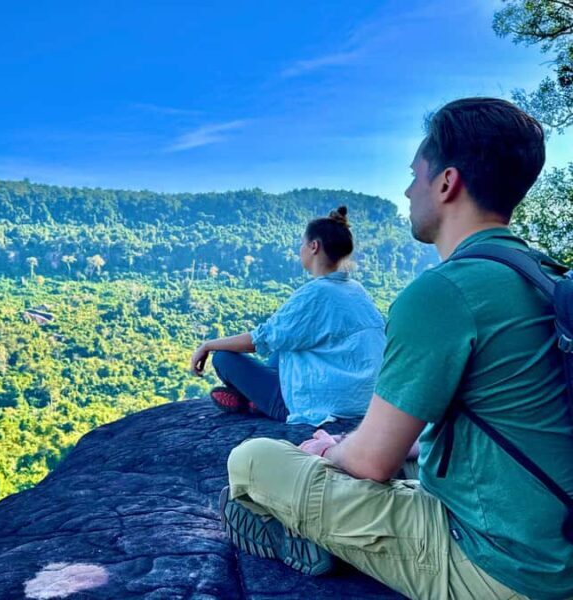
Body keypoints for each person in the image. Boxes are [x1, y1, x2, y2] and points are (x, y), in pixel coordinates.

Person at [219, 97, 573, 600]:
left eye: (415, 175)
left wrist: (331, 451)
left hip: (503, 569)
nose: (407, 191)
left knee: (252, 460)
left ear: (447, 182)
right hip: (553, 535)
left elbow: (370, 466)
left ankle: (310, 536)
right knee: (392, 460)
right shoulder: (545, 275)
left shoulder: (445, 292)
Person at [190, 207, 385, 426]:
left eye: (302, 243)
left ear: (314, 247)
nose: (300, 249)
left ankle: (253, 401)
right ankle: (253, 399)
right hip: (363, 399)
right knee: (286, 346)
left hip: (316, 403)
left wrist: (207, 345)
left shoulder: (316, 293)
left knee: (223, 358)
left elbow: (261, 339)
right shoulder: (356, 289)